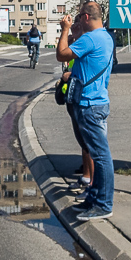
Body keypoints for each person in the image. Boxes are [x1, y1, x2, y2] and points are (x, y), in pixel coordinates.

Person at [56, 0, 115, 222]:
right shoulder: (106, 37)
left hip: (89, 104)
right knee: (98, 154)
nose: (79, 19)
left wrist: (65, 29)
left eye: (80, 16)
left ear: (86, 18)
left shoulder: (90, 38)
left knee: (101, 156)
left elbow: (61, 54)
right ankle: (94, 199)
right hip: (98, 100)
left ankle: (104, 204)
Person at [57, 17, 93, 195]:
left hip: (85, 98)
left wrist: (68, 75)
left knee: (89, 144)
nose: (72, 29)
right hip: (75, 97)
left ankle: (90, 181)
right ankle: (86, 176)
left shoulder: (86, 43)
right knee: (83, 142)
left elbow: (61, 55)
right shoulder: (77, 42)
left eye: (75, 26)